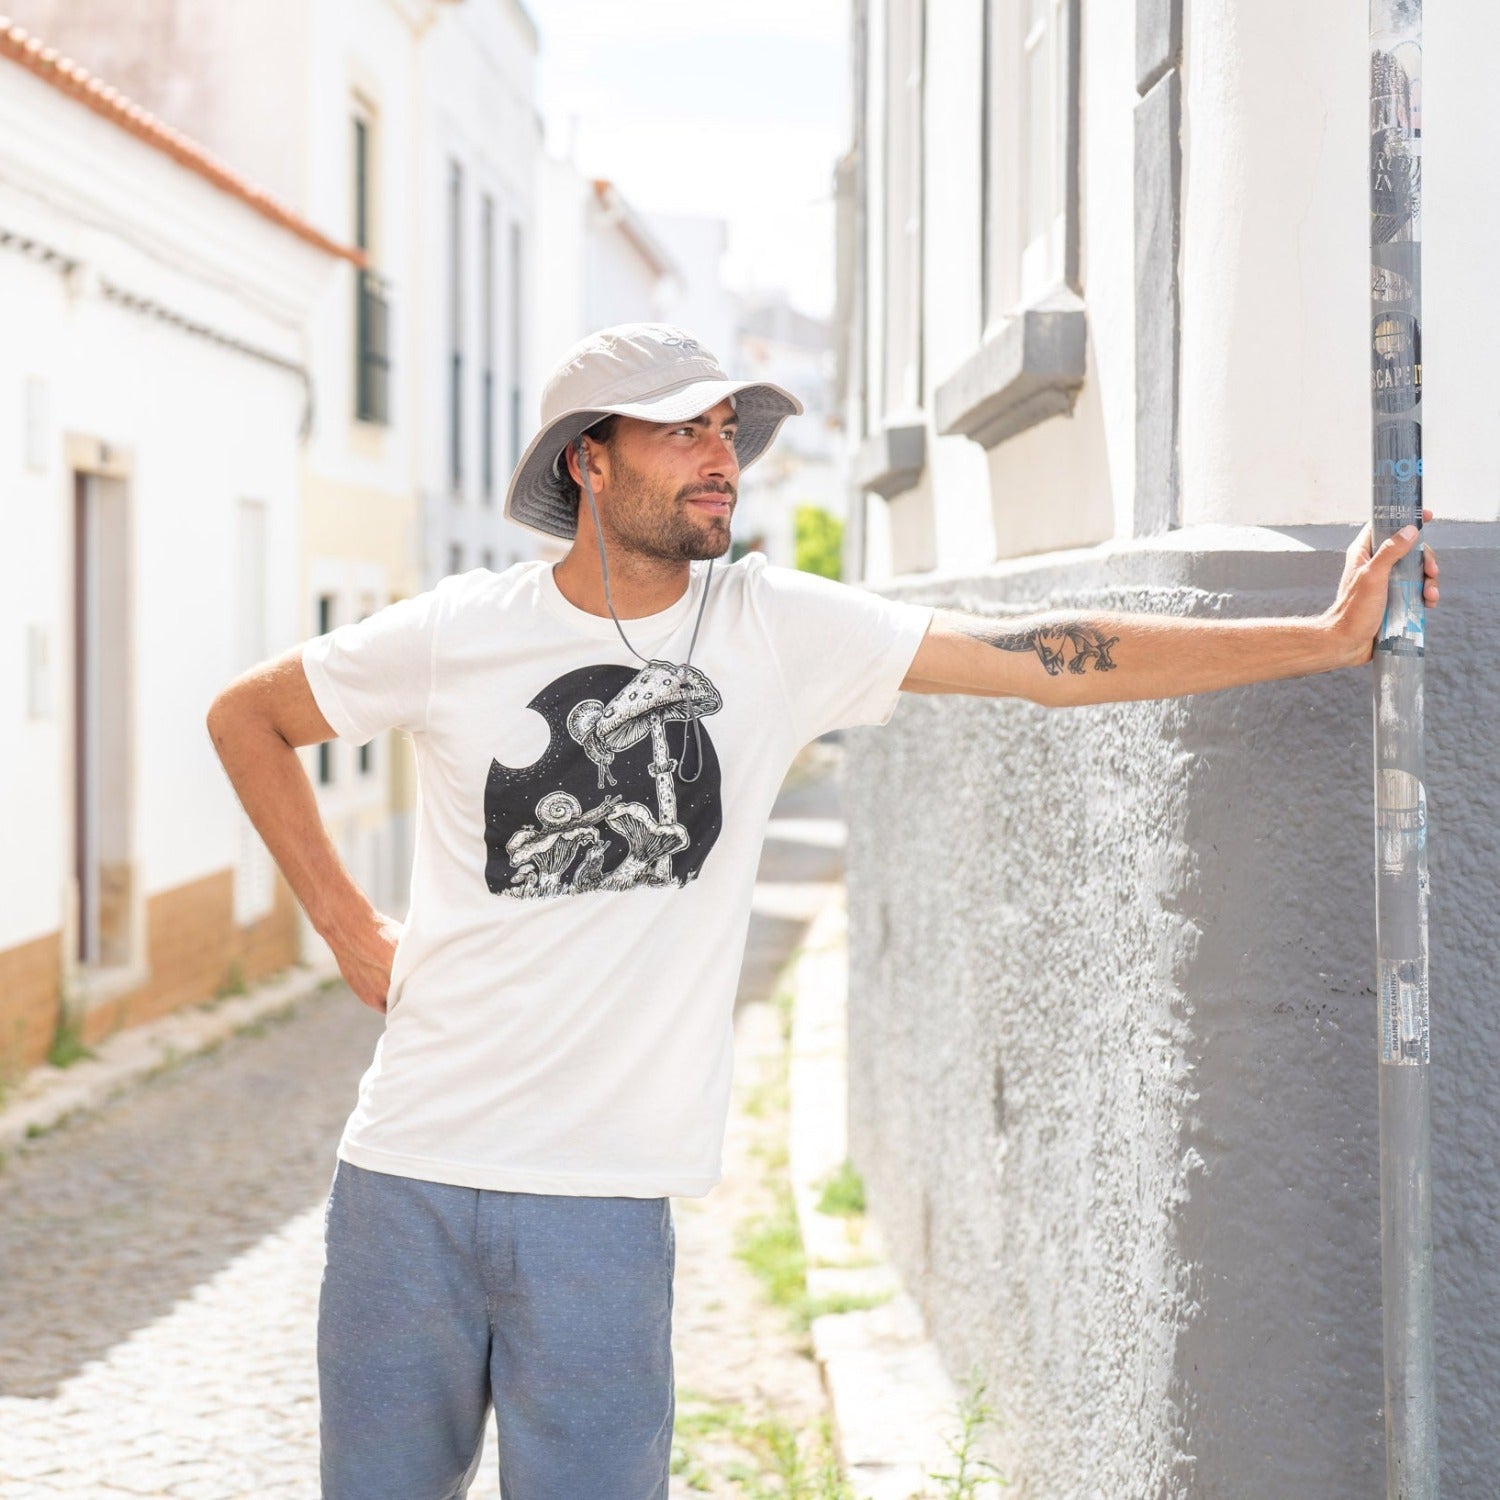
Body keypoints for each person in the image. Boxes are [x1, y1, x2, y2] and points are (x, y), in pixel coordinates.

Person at [205, 322, 1440, 1499]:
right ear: (590, 459)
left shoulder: (772, 629)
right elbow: (247, 717)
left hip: (603, 1203)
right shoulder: (459, 632)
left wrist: (1324, 640)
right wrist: (349, 926)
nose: (721, 457)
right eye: (682, 431)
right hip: (405, 1177)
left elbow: (1038, 660)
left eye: (729, 430)